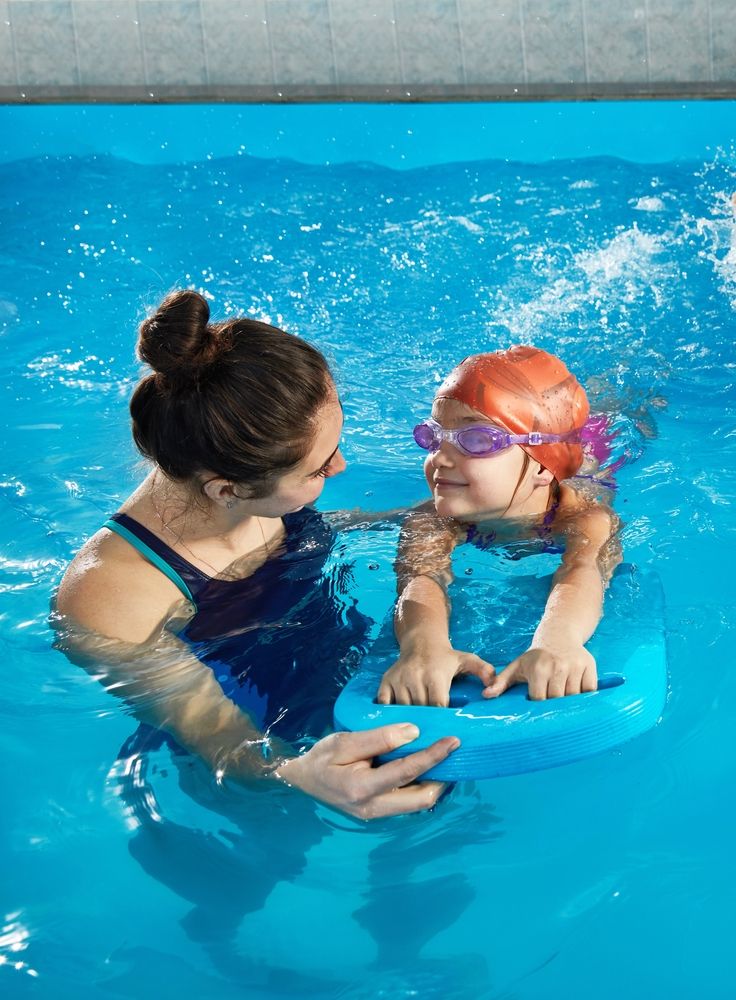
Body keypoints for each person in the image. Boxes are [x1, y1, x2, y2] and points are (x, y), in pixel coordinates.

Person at [54, 289, 459, 820]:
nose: (339, 468)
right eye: (317, 469)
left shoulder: (244, 470)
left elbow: (313, 537)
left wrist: (439, 515)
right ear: (227, 491)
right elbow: (219, 738)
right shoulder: (112, 598)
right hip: (252, 750)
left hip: (343, 677)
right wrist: (290, 776)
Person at [376, 345, 622, 707]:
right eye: (434, 436)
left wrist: (558, 640)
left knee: (613, 415)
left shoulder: (584, 517)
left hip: (591, 451)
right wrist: (424, 648)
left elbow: (582, 569)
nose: (439, 458)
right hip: (544, 444)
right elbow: (420, 578)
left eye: (477, 440)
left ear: (541, 467)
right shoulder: (431, 520)